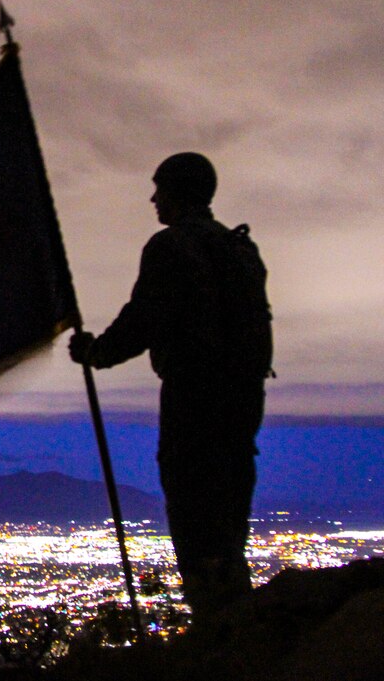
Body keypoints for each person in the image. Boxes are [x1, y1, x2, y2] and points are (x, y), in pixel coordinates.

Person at [69, 152, 273, 618]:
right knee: (228, 504)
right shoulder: (242, 250)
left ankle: (213, 620)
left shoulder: (171, 247)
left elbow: (143, 320)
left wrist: (95, 353)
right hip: (243, 399)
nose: (153, 198)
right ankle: (232, 606)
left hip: (194, 395)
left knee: (192, 504)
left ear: (178, 192)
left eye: (159, 188)